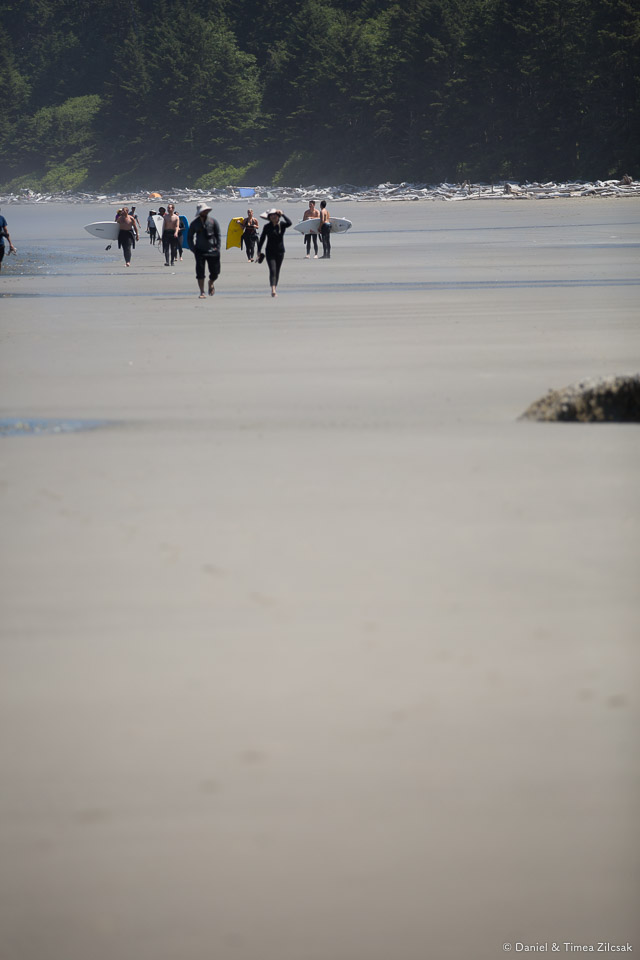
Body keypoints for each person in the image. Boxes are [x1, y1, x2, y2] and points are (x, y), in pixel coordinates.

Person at [187, 201, 221, 299]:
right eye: (203, 211)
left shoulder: (213, 221)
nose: (205, 212)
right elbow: (189, 237)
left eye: (206, 210)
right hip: (200, 250)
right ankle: (202, 292)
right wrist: (193, 248)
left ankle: (211, 282)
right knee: (200, 272)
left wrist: (217, 247)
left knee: (215, 272)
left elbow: (218, 235)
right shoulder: (195, 223)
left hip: (212, 250)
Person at [257, 208, 292, 297]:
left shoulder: (282, 225)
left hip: (280, 252)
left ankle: (274, 287)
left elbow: (290, 223)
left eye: (275, 215)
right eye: (271, 215)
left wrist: (283, 214)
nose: (273, 216)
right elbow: (262, 239)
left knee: (277, 271)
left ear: (278, 216)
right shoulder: (267, 227)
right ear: (269, 217)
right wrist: (258, 250)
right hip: (270, 252)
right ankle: (273, 290)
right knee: (272, 270)